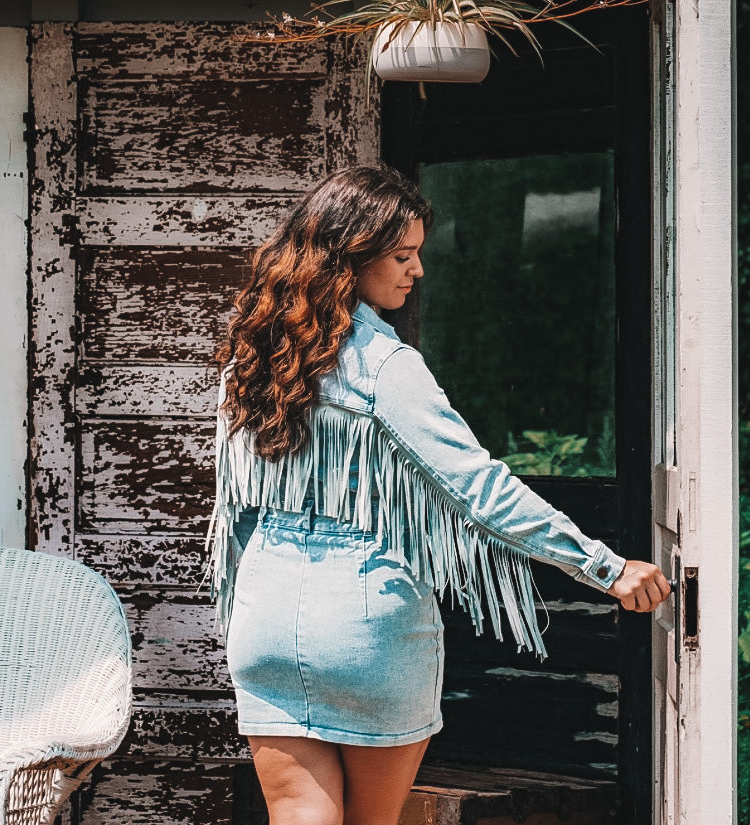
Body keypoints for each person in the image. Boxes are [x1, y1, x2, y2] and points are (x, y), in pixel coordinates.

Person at [207, 165, 671, 825]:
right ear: (352, 257)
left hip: (265, 614)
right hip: (365, 621)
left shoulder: (250, 358)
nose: (417, 269)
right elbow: (479, 489)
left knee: (299, 815)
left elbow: (234, 504)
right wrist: (605, 566)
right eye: (402, 255)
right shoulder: (385, 367)